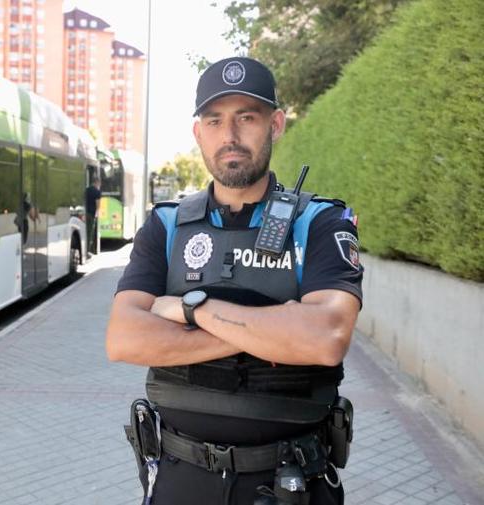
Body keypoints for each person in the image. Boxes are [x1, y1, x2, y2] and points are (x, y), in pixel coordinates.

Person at [105, 56, 363, 504]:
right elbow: (124, 338)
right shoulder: (166, 226)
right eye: (215, 119)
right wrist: (276, 330)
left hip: (291, 481)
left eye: (247, 117)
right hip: (180, 479)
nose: (230, 136)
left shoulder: (320, 221)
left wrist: (193, 311)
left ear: (276, 124)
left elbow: (325, 337)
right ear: (197, 132)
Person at [85, 177, 102, 255]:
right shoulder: (97, 192)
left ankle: (85, 249)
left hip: (85, 213)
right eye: (99, 183)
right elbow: (98, 205)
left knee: (86, 232)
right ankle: (88, 251)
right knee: (90, 233)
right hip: (91, 214)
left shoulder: (86, 190)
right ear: (97, 183)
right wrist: (97, 214)